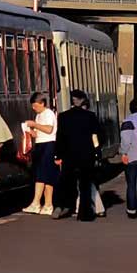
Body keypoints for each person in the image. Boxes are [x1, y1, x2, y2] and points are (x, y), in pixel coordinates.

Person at [53, 89, 101, 221]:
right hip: (86, 155)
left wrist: (57, 155)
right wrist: (97, 153)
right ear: (82, 100)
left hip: (69, 155)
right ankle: (84, 213)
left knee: (65, 181)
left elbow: (60, 137)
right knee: (85, 185)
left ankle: (60, 205)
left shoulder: (63, 116)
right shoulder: (90, 116)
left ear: (72, 101)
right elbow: (96, 136)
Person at [22, 93, 58, 215]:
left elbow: (49, 129)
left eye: (35, 106)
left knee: (41, 175)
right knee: (45, 176)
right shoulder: (38, 116)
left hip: (48, 145)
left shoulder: (48, 114)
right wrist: (29, 131)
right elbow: (38, 133)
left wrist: (34, 124)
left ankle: (36, 203)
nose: (34, 108)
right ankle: (47, 204)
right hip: (40, 144)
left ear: (42, 103)